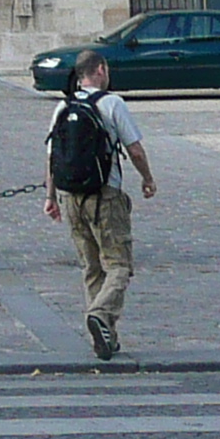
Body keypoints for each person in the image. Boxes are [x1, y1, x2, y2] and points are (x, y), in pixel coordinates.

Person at [44, 46, 157, 360]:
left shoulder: (62, 107)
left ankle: (105, 338)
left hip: (71, 198)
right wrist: (147, 178)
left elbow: (52, 156)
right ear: (101, 70)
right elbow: (134, 150)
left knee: (92, 268)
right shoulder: (112, 103)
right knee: (119, 265)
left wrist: (50, 197)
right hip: (105, 195)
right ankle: (100, 314)